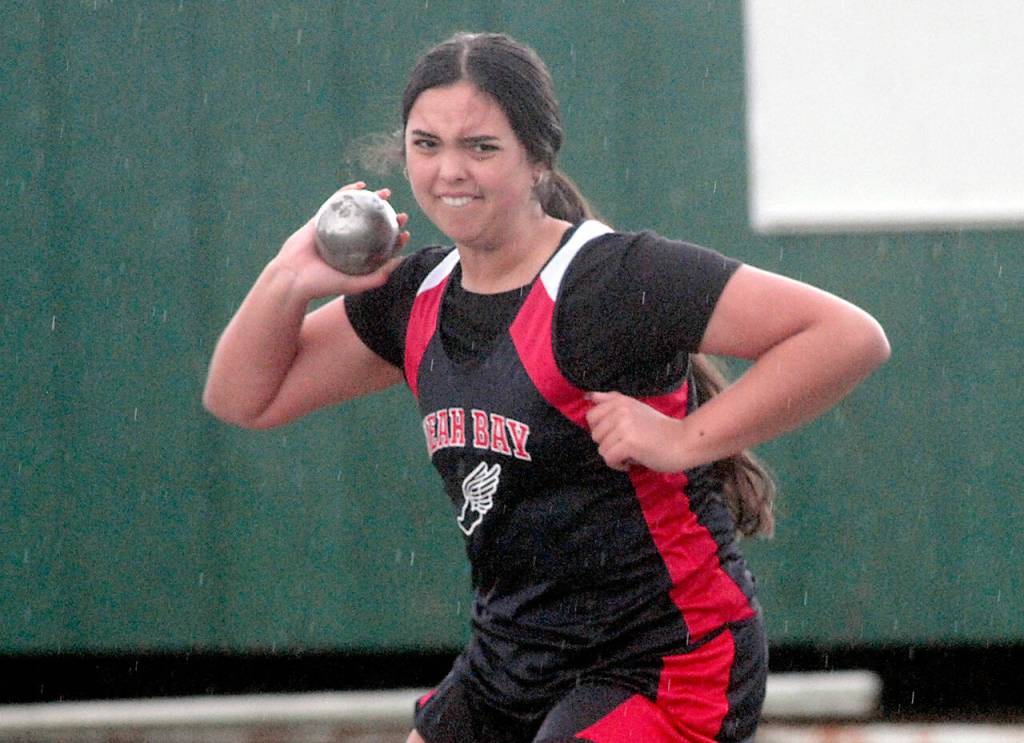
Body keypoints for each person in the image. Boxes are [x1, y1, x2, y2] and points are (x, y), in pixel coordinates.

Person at [203, 31, 890, 743]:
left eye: (481, 147)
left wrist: (685, 439)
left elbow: (846, 336)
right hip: (512, 658)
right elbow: (244, 397)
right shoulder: (417, 295)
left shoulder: (608, 281)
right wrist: (288, 280)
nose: (450, 171)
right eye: (427, 144)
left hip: (665, 657)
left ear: (535, 158)